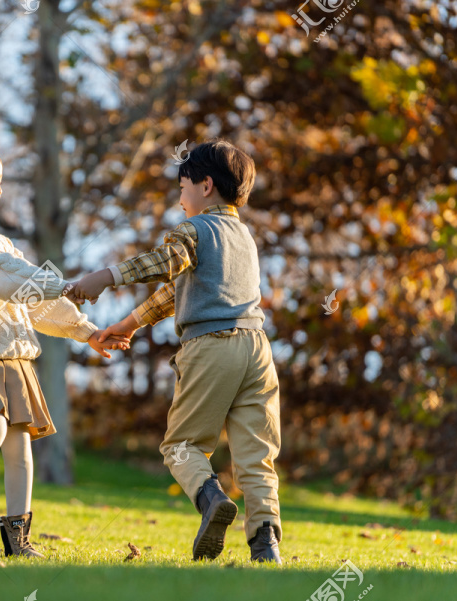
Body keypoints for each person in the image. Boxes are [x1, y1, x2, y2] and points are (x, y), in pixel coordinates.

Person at [67, 139, 283, 563]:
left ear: (205, 185)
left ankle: (211, 500)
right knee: (257, 457)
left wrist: (105, 276)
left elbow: (168, 263)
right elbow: (178, 289)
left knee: (181, 446)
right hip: (257, 351)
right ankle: (265, 545)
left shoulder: (194, 229)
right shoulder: (243, 237)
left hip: (211, 348)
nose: (180, 198)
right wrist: (129, 324)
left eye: (181, 187)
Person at [0, 137, 130, 558]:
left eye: (1, 180)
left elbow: (32, 300)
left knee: (20, 448)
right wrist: (64, 284)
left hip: (14, 358)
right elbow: (1, 276)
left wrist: (85, 331)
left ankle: (18, 539)